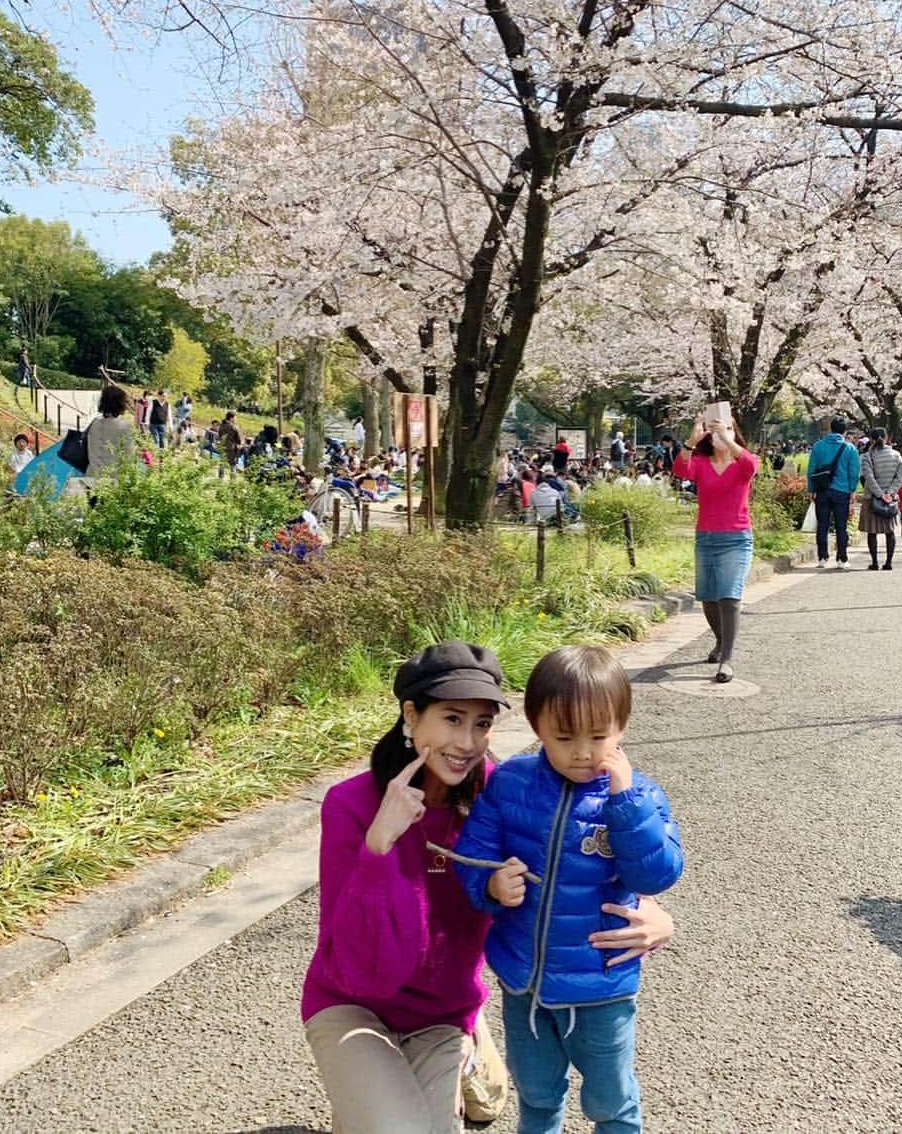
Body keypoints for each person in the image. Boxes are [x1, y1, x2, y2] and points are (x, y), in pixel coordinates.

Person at [301, 641, 674, 1134]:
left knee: (494, 1101)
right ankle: (372, 1088)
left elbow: (574, 858)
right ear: (411, 716)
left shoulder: (496, 790)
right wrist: (379, 847)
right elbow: (354, 956)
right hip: (356, 1001)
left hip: (441, 1011)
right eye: (452, 719)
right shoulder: (351, 804)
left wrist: (657, 914)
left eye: (482, 724)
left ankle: (465, 1054)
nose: (468, 742)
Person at [453, 645, 683, 1134]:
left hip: (601, 985)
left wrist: (626, 806)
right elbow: (473, 852)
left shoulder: (639, 796)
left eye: (599, 736)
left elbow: (657, 874)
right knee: (536, 1095)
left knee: (611, 1101)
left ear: (621, 727)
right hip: (524, 983)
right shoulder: (511, 782)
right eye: (563, 736)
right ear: (537, 728)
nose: (583, 751)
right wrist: (491, 884)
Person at [672, 412, 759, 683]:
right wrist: (691, 439)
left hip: (736, 538)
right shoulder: (701, 462)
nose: (722, 435)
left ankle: (727, 660)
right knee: (709, 597)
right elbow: (680, 470)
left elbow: (750, 465)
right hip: (706, 537)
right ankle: (721, 641)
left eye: (729, 430)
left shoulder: (742, 462)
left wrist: (728, 439)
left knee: (730, 596)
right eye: (717, 432)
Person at [806, 417, 861, 569]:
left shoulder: (818, 446)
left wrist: (811, 489)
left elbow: (811, 469)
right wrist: (852, 490)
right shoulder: (850, 448)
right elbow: (854, 472)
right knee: (841, 526)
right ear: (845, 431)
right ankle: (842, 559)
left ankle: (822, 558)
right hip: (842, 491)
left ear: (830, 429)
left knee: (822, 525)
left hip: (822, 491)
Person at [859, 427, 902, 569]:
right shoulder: (896, 455)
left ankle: (874, 562)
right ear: (886, 438)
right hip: (890, 500)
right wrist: (889, 493)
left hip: (871, 499)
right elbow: (900, 477)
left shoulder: (867, 456)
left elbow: (869, 478)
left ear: (871, 439)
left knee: (872, 532)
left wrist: (879, 494)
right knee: (889, 531)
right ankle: (889, 563)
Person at [86, 384, 138, 481]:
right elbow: (129, 455)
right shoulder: (124, 426)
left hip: (91, 477)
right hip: (114, 480)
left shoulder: (95, 422)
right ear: (120, 404)